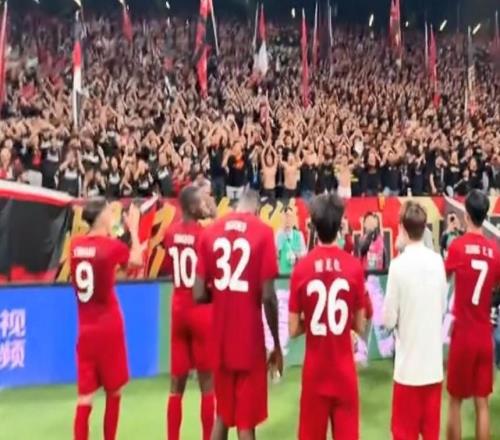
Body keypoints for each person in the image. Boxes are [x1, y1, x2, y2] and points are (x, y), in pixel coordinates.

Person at [193, 189, 283, 440]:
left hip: (220, 338)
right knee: (246, 422)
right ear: (256, 209)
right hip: (248, 339)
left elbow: (198, 293)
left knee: (222, 415)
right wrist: (276, 343)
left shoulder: (210, 232)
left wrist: (223, 296)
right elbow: (268, 297)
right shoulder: (263, 232)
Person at [288, 193, 368, 440]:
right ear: (340, 224)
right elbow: (360, 325)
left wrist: (315, 320)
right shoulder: (353, 267)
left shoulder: (302, 268)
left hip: (315, 374)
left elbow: (292, 329)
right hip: (344, 372)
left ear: (313, 225)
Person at [69, 199, 143, 440]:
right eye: (110, 212)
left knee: (85, 398)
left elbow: (103, 271)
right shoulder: (110, 247)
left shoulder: (75, 245)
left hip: (85, 330)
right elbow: (137, 261)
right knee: (114, 392)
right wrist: (134, 229)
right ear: (102, 217)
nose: (113, 215)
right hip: (109, 327)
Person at [383, 201, 448, 440]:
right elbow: (442, 306)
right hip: (432, 368)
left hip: (408, 371)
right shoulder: (437, 262)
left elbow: (388, 319)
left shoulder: (398, 266)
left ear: (402, 227)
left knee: (403, 434)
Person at [445, 190, 500, 440]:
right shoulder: (495, 251)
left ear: (466, 215)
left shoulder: (457, 247)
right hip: (484, 334)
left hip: (463, 334)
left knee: (455, 401)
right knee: (482, 403)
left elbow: (444, 277)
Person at [162, 186, 215, 440]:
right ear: (193, 207)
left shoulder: (170, 233)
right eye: (202, 202)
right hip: (200, 309)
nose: (205, 205)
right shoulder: (205, 236)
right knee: (207, 384)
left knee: (176, 385)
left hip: (178, 308)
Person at [275, 207, 307, 276]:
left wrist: (297, 255)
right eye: (285, 217)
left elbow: (304, 253)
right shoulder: (278, 235)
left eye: (289, 216)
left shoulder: (299, 235)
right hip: (282, 274)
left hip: (296, 273)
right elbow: (274, 254)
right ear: (281, 219)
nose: (287, 219)